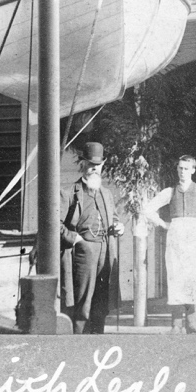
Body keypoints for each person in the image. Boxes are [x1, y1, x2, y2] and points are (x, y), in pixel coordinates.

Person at [143, 154, 196, 334]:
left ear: (193, 170)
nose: (183, 172)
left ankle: (192, 323)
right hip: (176, 239)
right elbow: (148, 208)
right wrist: (163, 224)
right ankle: (176, 324)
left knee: (194, 278)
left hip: (195, 238)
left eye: (186, 168)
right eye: (180, 168)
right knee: (176, 278)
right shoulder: (170, 192)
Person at [59, 142, 126, 334]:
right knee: (82, 304)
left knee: (102, 304)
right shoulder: (70, 193)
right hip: (83, 254)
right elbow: (55, 224)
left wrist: (118, 226)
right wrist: (76, 240)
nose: (94, 168)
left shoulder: (106, 194)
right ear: (83, 164)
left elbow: (112, 218)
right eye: (90, 164)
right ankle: (79, 344)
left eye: (98, 165)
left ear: (102, 165)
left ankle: (98, 344)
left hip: (105, 253)